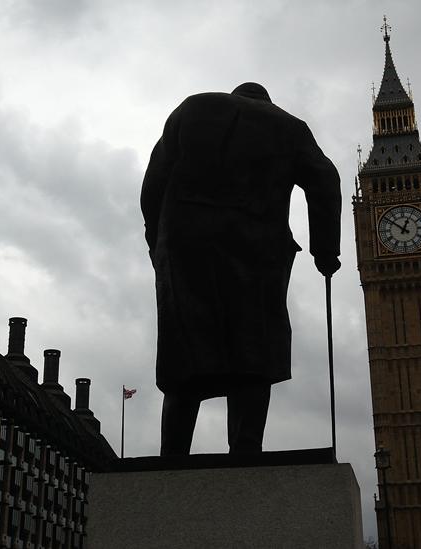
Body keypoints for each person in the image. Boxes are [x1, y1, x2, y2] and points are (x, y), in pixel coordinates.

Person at [141, 82, 341, 456]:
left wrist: (157, 240)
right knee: (254, 350)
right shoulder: (289, 126)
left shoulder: (192, 108)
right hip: (256, 249)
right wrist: (325, 251)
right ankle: (246, 451)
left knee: (185, 349)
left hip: (186, 248)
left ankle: (172, 456)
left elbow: (153, 181)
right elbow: (325, 179)